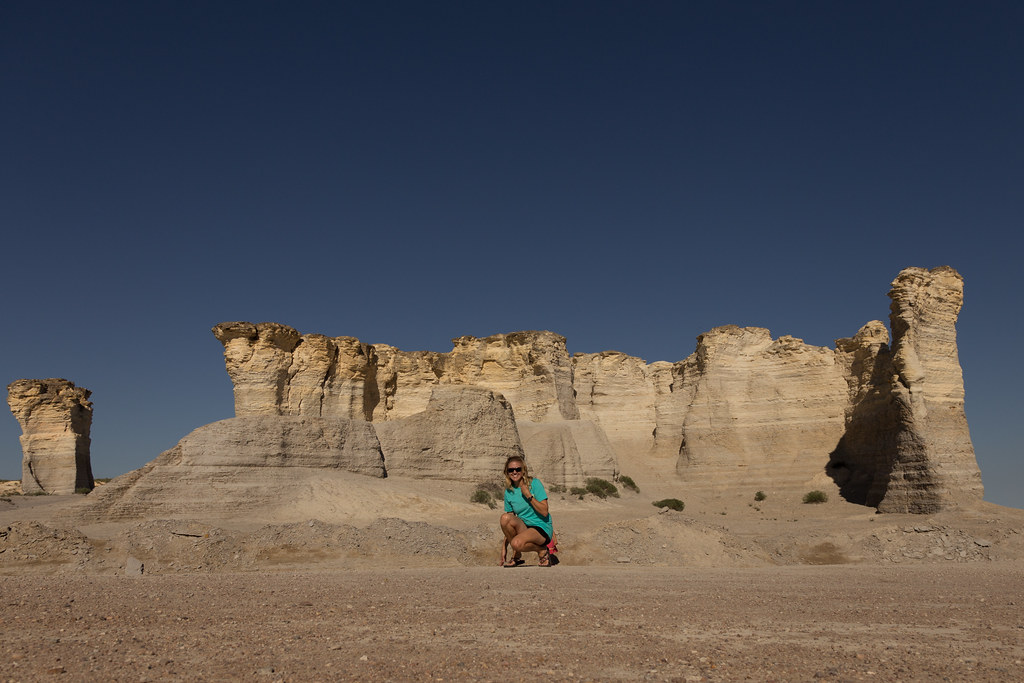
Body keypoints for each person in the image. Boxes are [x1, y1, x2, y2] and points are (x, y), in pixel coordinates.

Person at [499, 455, 556, 567]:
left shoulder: (534, 484)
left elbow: (544, 512)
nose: (514, 472)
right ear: (507, 472)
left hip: (541, 527)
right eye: (511, 470)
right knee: (504, 518)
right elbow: (509, 527)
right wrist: (504, 547)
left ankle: (542, 550)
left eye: (518, 469)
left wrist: (528, 495)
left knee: (516, 543)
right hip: (525, 527)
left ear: (523, 470)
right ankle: (517, 554)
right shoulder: (509, 492)